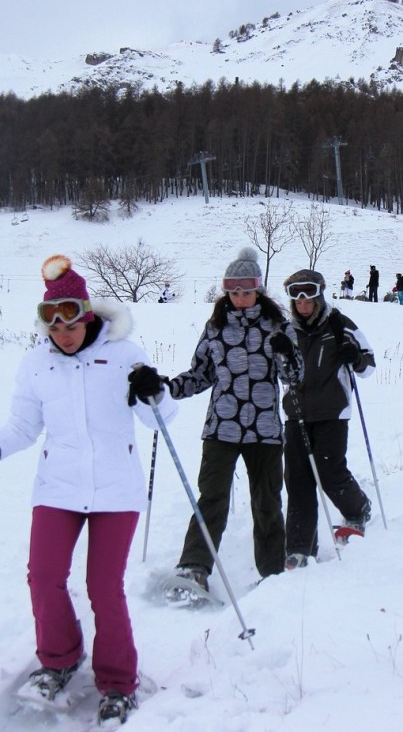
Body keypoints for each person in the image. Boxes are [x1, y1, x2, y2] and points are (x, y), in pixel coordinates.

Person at [0, 255, 177, 725]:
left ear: (87, 314)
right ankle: (59, 659)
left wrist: (153, 390)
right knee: (43, 576)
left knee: (104, 587)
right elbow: (23, 425)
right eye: (53, 325)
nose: (63, 333)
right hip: (58, 487)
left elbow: (161, 418)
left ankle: (118, 682)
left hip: (116, 489)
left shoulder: (125, 354)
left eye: (71, 322)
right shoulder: (37, 364)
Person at [161, 248, 304, 600]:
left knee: (267, 503)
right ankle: (194, 567)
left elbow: (294, 377)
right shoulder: (216, 328)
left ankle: (272, 573)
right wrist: (167, 389)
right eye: (233, 291)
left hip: (264, 431)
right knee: (211, 498)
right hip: (221, 427)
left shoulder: (277, 326)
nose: (240, 298)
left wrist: (287, 352)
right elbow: (201, 374)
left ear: (258, 290)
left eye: (246, 291)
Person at [281, 269, 376, 570]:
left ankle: (358, 508)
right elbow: (278, 371)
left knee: (329, 470)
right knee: (297, 478)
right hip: (297, 413)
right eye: (297, 299)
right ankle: (299, 548)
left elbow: (369, 365)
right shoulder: (287, 331)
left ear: (319, 296)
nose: (303, 304)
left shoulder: (339, 325)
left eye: (308, 298)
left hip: (333, 411)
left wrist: (355, 357)